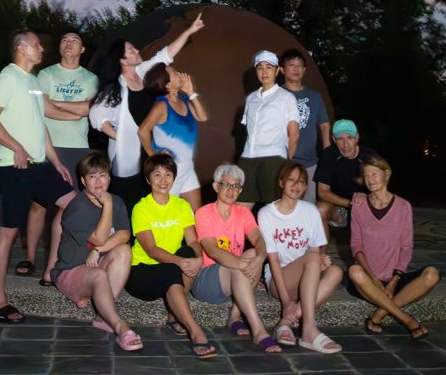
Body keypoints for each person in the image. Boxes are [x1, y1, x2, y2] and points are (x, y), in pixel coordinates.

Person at [0, 30, 75, 324]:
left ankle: (56, 269)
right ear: (22, 48)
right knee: (8, 231)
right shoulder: (8, 78)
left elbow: (40, 124)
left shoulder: (33, 82)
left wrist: (56, 161)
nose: (42, 48)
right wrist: (17, 147)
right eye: (37, 45)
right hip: (13, 166)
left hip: (39, 165)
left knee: (75, 204)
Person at [89, 12, 205, 213]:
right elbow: (96, 115)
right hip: (129, 153)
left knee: (156, 196)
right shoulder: (117, 87)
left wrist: (189, 31)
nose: (136, 50)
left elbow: (166, 54)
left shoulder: (143, 72)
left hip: (151, 146)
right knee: (131, 201)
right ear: (123, 61)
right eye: (130, 50)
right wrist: (120, 135)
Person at [126, 153, 218, 359]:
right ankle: (196, 331)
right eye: (157, 175)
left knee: (189, 253)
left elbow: (193, 241)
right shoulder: (141, 208)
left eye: (168, 174)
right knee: (173, 267)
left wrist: (198, 259)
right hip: (141, 271)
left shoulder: (182, 206)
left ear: (174, 178)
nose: (163, 180)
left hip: (170, 267)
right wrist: (181, 262)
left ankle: (172, 315)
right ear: (148, 179)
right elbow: (151, 250)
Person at [50, 151, 143, 351]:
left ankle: (102, 316)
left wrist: (98, 250)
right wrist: (107, 206)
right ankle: (120, 327)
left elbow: (124, 235)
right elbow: (100, 237)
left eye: (102, 175)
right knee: (100, 275)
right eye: (92, 176)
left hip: (96, 264)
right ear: (83, 181)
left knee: (124, 251)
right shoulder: (77, 208)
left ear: (109, 178)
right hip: (71, 270)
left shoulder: (116, 200)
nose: (98, 181)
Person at [345, 153, 441, 338]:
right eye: (366, 176)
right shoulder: (359, 206)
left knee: (432, 274)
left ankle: (378, 314)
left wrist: (394, 281)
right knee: (354, 272)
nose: (370, 179)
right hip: (366, 280)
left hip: (393, 279)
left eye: (374, 174)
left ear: (386, 174)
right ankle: (407, 320)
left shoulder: (403, 207)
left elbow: (406, 249)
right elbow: (356, 246)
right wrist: (373, 278)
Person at [191, 164, 281, 353]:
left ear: (240, 190)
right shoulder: (203, 213)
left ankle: (235, 315)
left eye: (236, 186)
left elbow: (258, 239)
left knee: (253, 254)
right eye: (226, 185)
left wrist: (260, 257)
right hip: (207, 279)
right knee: (240, 264)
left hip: (233, 275)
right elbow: (213, 251)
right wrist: (245, 265)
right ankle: (258, 330)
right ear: (216, 187)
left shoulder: (243, 213)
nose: (231, 190)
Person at [32, 30, 97, 285]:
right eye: (64, 39)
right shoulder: (46, 74)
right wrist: (74, 111)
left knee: (67, 206)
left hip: (76, 148)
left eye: (75, 40)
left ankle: (52, 266)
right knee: (38, 205)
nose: (69, 43)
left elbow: (89, 108)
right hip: (46, 145)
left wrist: (57, 104)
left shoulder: (90, 78)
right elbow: (42, 107)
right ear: (59, 47)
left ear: (82, 49)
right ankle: (29, 258)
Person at [258, 162, 343, 354]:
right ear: (281, 182)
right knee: (312, 258)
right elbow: (274, 262)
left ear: (306, 187)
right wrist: (286, 301)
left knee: (335, 271)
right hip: (279, 282)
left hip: (307, 278)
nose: (296, 185)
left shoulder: (310, 211)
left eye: (302, 182)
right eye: (291, 180)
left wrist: (322, 262)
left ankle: (286, 322)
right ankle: (309, 330)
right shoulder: (267, 214)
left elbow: (317, 251)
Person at [137, 64, 207, 210]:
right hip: (168, 171)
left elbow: (202, 117)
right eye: (175, 73)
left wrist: (191, 92)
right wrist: (152, 156)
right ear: (167, 84)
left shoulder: (184, 99)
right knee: (165, 217)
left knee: (195, 218)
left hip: (187, 168)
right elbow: (143, 131)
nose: (179, 74)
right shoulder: (161, 105)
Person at [237, 50, 299, 209]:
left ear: (277, 70)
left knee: (272, 209)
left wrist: (287, 164)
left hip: (273, 159)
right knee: (239, 209)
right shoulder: (250, 98)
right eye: (260, 68)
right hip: (247, 158)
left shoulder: (286, 97)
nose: (264, 72)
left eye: (269, 67)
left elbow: (294, 134)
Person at [280, 51, 330, 198]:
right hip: (283, 163)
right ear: (282, 70)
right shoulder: (276, 95)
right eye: (291, 65)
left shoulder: (314, 96)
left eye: (299, 66)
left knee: (309, 207)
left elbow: (325, 125)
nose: (296, 69)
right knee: (283, 206)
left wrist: (327, 155)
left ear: (304, 70)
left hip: (310, 163)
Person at [315, 119, 372, 234]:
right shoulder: (329, 154)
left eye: (350, 138)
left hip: (366, 206)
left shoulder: (369, 156)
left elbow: (382, 189)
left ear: (357, 138)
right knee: (320, 209)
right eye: (340, 139)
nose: (346, 144)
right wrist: (351, 204)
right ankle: (320, 252)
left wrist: (366, 202)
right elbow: (322, 192)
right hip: (341, 209)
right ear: (334, 140)